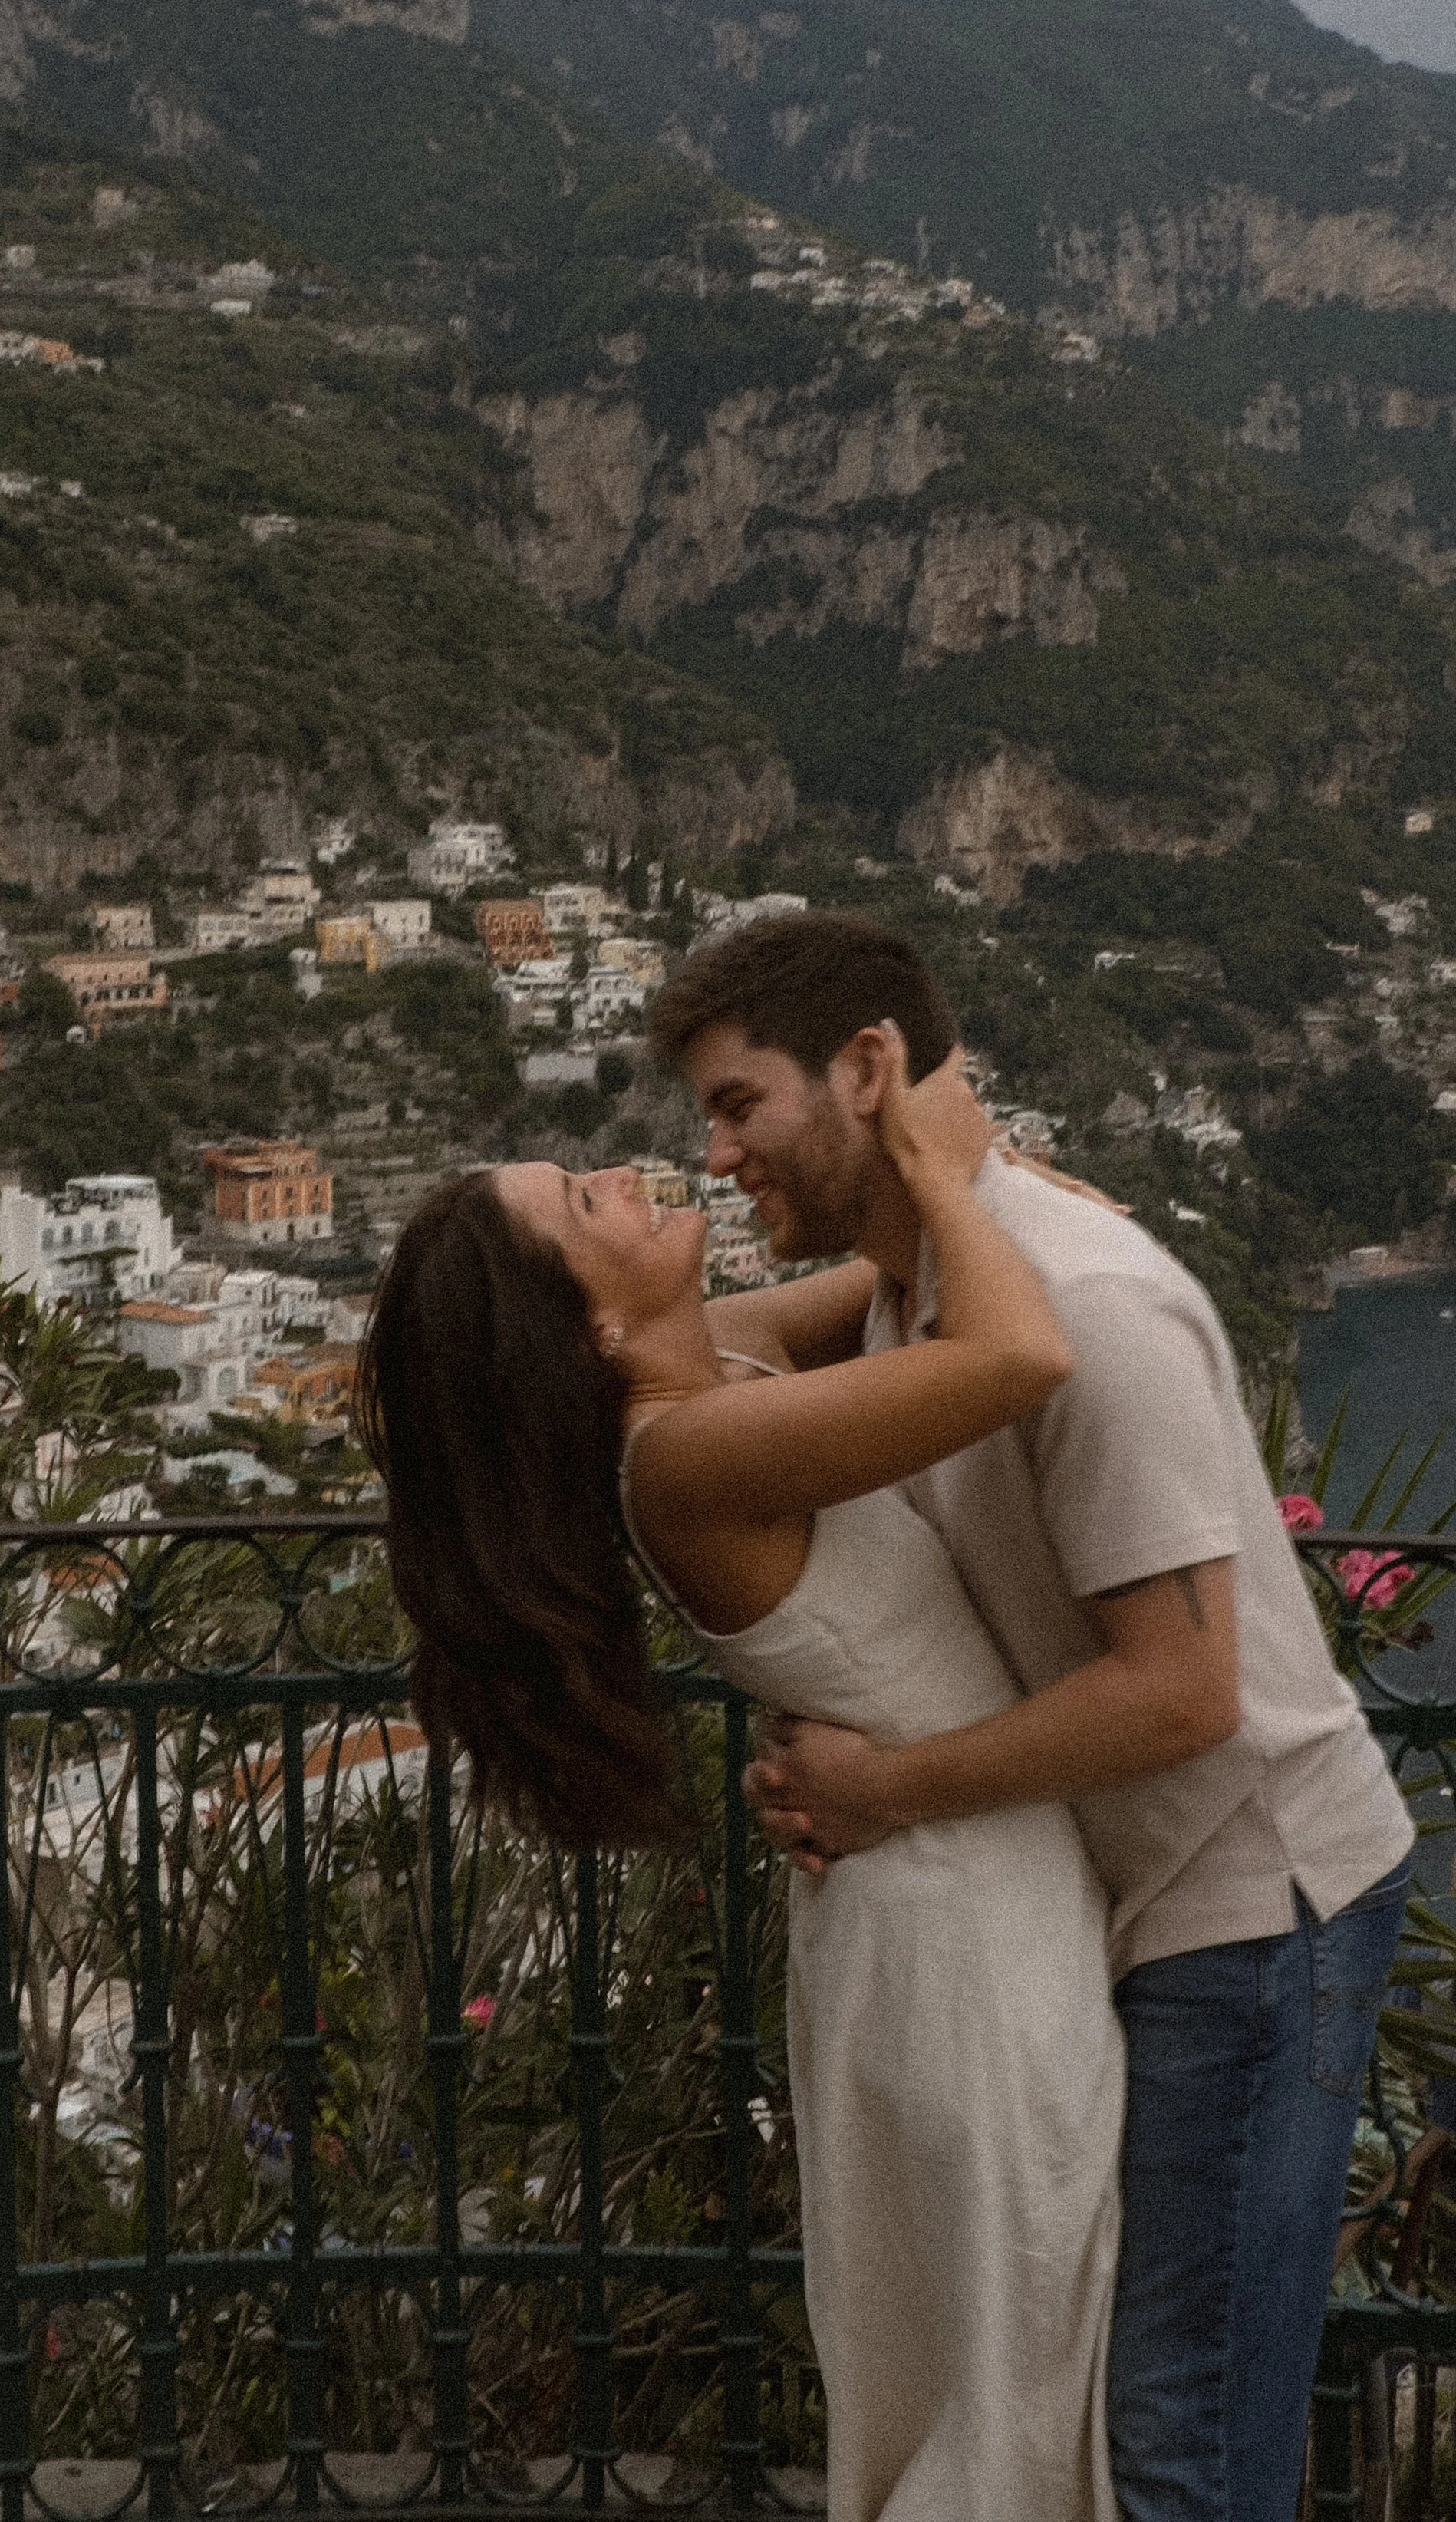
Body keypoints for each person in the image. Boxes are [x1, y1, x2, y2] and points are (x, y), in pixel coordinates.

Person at [647, 909, 1416, 2522]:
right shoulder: (915, 1291)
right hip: (1154, 1898)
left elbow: (1183, 1690)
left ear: (866, 1068)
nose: (715, 1155)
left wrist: (888, 1790)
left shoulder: (1088, 1306)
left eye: (737, 1103)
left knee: (1177, 2440)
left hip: (1253, 1904)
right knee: (1138, 2425)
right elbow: (664, 1357)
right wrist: (952, 1192)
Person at [358, 1047, 1125, 2521]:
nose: (625, 1174)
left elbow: (893, 1282)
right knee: (1014, 2391)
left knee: (993, 2375)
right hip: (961, 1930)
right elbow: (1020, 1354)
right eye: (586, 1201)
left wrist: (956, 1180)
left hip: (936, 1883)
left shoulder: (706, 1372)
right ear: (589, 1320)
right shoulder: (693, 1454)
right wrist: (941, 1159)